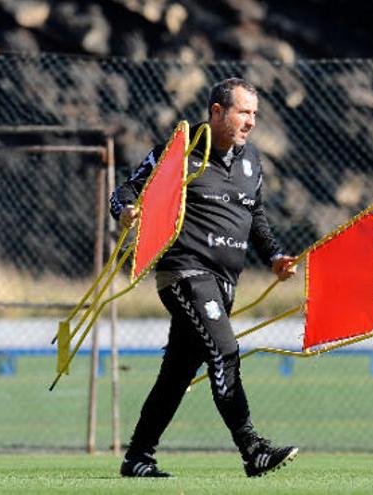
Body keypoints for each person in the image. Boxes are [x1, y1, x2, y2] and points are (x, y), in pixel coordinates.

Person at [110, 78, 298, 478]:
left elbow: (257, 219)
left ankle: (138, 457)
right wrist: (126, 211)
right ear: (217, 111)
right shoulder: (178, 152)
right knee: (225, 352)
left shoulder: (252, 163)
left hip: (225, 282)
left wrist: (276, 257)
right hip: (184, 273)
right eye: (243, 112)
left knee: (176, 374)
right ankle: (253, 449)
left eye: (254, 114)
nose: (250, 122)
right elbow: (125, 190)